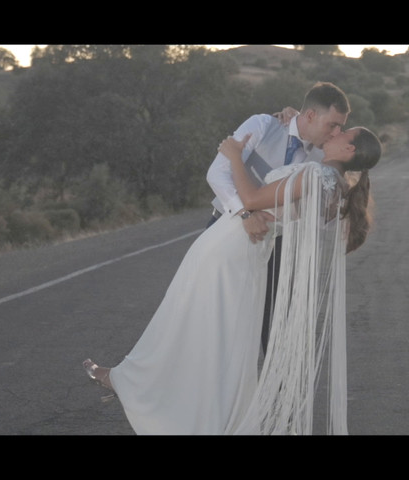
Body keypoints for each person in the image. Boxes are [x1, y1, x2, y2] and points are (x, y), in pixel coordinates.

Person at [83, 124, 382, 435]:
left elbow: (251, 199)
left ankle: (138, 388)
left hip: (229, 246)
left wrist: (235, 156)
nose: (334, 134)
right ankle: (203, 411)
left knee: (187, 321)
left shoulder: (316, 176)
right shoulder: (336, 186)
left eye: (343, 134)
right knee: (222, 337)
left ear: (350, 151)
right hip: (250, 252)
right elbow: (283, 209)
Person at [206, 82, 350, 354]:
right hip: (225, 230)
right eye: (332, 125)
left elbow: (317, 217)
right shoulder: (263, 124)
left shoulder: (323, 157)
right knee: (214, 313)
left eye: (340, 127)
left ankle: (277, 390)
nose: (336, 133)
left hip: (277, 242)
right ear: (310, 115)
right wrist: (245, 214)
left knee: (272, 320)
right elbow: (217, 173)